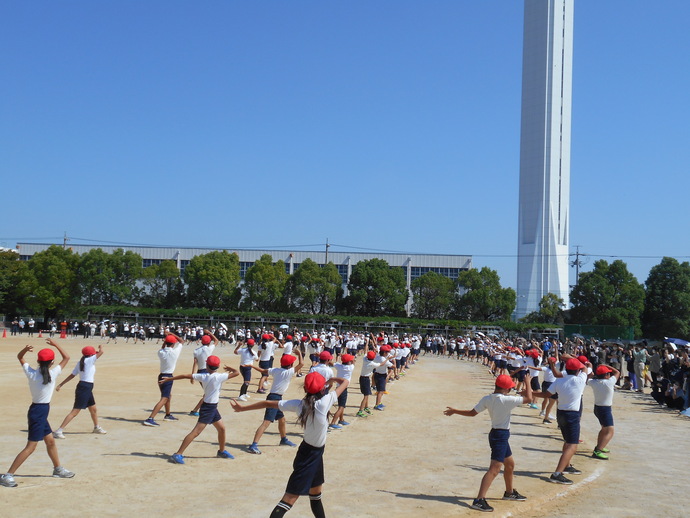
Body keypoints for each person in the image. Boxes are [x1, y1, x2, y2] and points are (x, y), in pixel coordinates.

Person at [230, 372, 349, 517]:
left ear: (305, 388)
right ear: (323, 389)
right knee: (290, 498)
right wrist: (331, 380)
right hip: (308, 457)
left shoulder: (299, 404)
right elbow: (345, 382)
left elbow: (268, 403)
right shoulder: (324, 403)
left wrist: (242, 408)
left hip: (312, 453)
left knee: (316, 493)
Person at [444, 373, 533, 513]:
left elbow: (472, 413)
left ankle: (509, 492)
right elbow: (529, 398)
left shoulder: (487, 398)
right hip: (500, 436)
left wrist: (455, 411)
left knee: (509, 464)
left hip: (495, 434)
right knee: (495, 469)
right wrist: (528, 382)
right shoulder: (506, 400)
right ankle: (479, 500)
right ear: (506, 389)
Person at [0, 339, 74, 488]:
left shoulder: (32, 373)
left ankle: (57, 469)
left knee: (50, 441)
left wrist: (25, 349)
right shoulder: (53, 374)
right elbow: (67, 357)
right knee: (31, 447)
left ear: (38, 361)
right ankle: (8, 475)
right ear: (52, 362)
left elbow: (20, 357)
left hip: (37, 411)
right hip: (40, 412)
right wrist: (55, 344)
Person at [163, 356, 239, 464]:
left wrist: (170, 379)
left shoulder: (203, 376)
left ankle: (222, 451)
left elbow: (185, 375)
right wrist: (230, 368)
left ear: (207, 365)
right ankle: (178, 454)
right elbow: (236, 373)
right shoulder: (220, 376)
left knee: (222, 429)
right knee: (195, 432)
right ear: (217, 366)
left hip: (212, 408)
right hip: (208, 408)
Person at [534, 357, 589, 485]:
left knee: (567, 441)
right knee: (572, 445)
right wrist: (572, 357)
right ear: (577, 371)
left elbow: (545, 395)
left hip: (561, 413)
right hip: (572, 414)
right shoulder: (580, 380)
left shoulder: (559, 381)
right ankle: (557, 473)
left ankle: (566, 465)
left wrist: (530, 393)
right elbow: (585, 368)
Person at [246, 350, 304, 454]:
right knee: (266, 422)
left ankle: (283, 439)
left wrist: (252, 366)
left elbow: (263, 370)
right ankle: (253, 444)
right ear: (290, 365)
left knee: (282, 419)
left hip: (275, 397)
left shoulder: (276, 370)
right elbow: (302, 364)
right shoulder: (289, 372)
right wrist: (299, 353)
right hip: (274, 398)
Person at [53, 344, 107, 438]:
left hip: (86, 387)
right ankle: (59, 430)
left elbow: (72, 375)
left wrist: (61, 384)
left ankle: (96, 427)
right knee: (75, 411)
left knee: (93, 409)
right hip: (85, 388)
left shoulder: (81, 361)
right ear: (91, 355)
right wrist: (100, 347)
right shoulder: (89, 360)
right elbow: (101, 352)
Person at [143, 332, 184, 426]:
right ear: (173, 344)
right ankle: (150, 418)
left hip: (161, 376)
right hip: (168, 377)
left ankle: (168, 415)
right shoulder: (174, 352)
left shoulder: (161, 352)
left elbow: (163, 348)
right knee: (164, 398)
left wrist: (167, 338)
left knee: (168, 395)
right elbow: (181, 341)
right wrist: (171, 334)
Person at [587, 364, 619, 460]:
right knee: (610, 431)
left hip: (597, 408)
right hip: (605, 409)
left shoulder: (594, 382)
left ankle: (599, 446)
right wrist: (607, 365)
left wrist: (591, 374)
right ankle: (598, 451)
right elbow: (617, 372)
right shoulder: (609, 382)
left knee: (604, 429)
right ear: (606, 375)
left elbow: (587, 379)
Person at [188, 330, 219, 416]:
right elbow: (216, 340)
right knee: (208, 393)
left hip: (200, 371)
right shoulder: (209, 348)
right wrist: (210, 333)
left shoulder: (196, 350)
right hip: (208, 371)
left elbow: (195, 364)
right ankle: (196, 410)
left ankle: (196, 410)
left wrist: (192, 376)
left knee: (207, 393)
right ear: (209, 342)